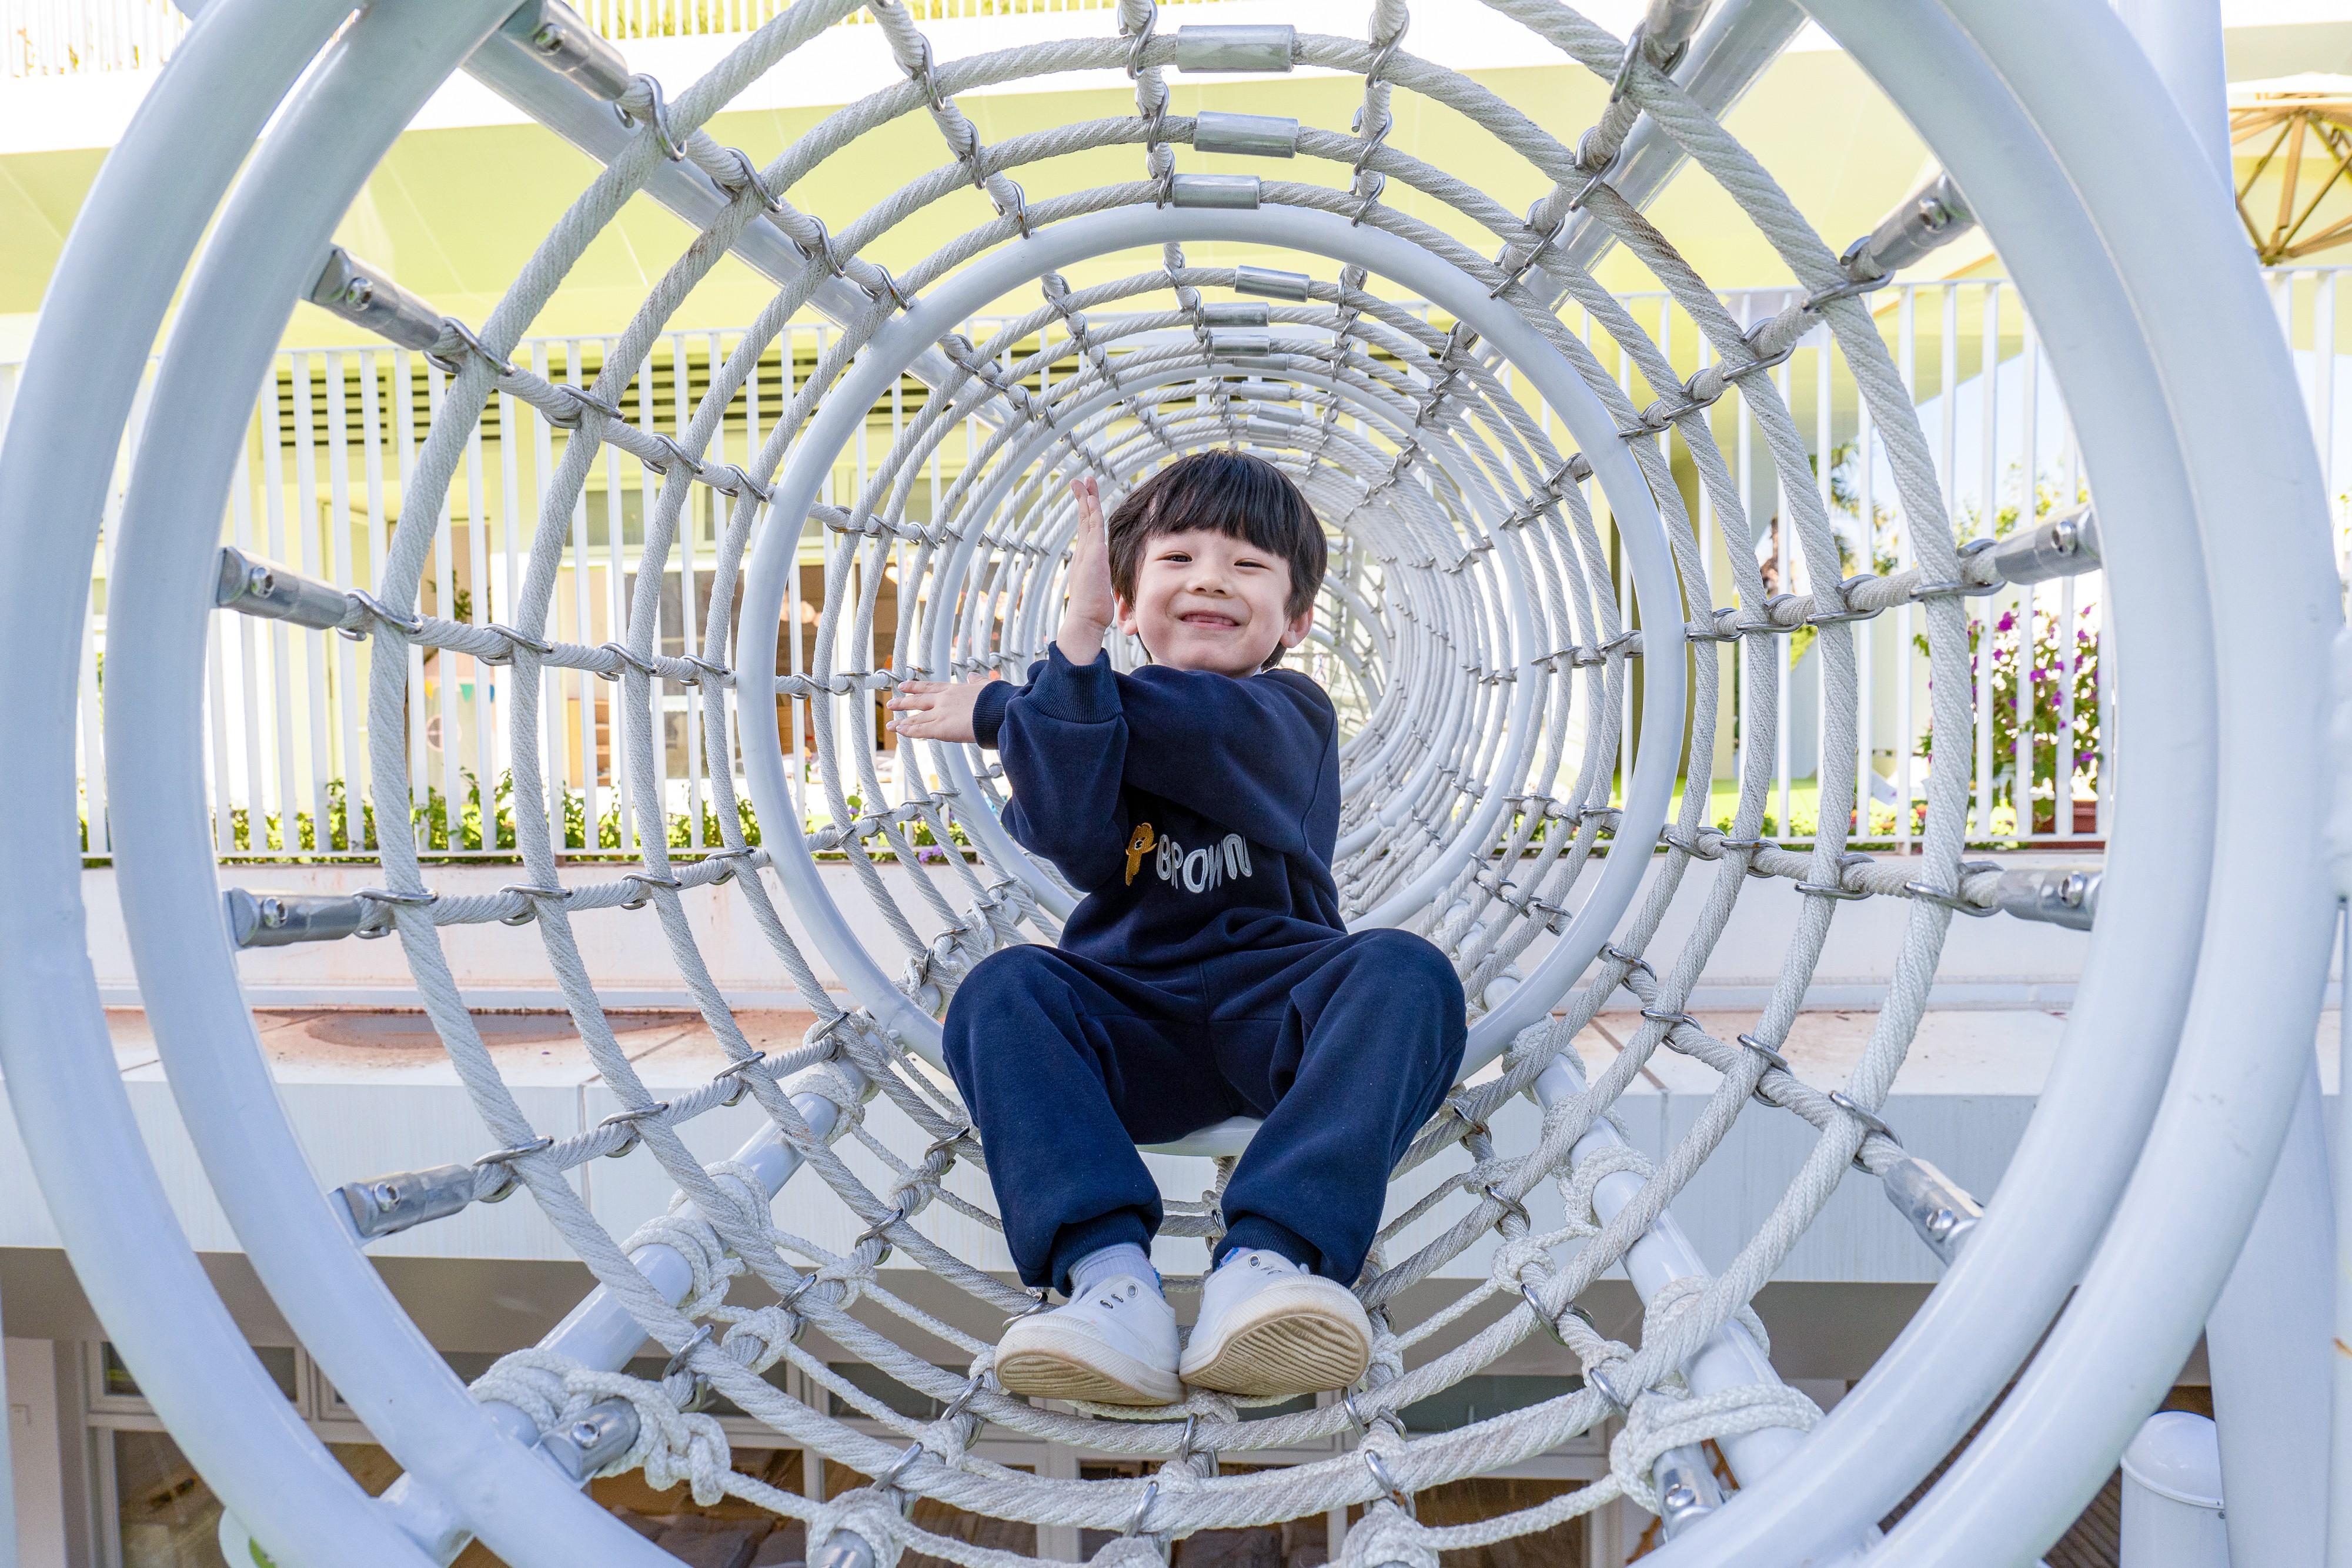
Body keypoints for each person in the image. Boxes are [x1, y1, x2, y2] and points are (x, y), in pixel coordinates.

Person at [886, 451, 1465, 1407]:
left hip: (1275, 1007)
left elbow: (1198, 727)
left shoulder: (1293, 712)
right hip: (1129, 1014)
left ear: (1298, 620)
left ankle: (1268, 1262)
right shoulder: (1083, 719)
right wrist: (1072, 651)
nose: (1208, 579)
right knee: (1003, 989)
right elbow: (1073, 839)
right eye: (1178, 559)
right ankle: (1110, 1283)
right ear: (1126, 602)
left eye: (1247, 567)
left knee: (1407, 973)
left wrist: (1008, 707)